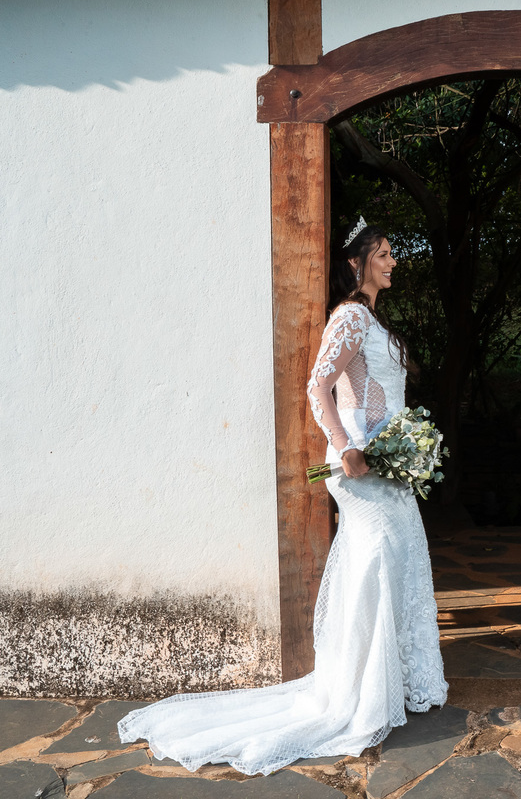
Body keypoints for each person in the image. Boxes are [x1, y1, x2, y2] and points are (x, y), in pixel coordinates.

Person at [118, 220, 448, 774]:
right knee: (378, 560)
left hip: (389, 461)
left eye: (394, 255)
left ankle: (386, 682)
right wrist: (344, 447)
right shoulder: (348, 316)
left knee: (400, 558)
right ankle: (358, 693)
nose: (393, 262)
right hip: (359, 463)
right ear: (357, 262)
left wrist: (405, 446)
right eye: (384, 255)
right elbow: (319, 384)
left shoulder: (371, 318)